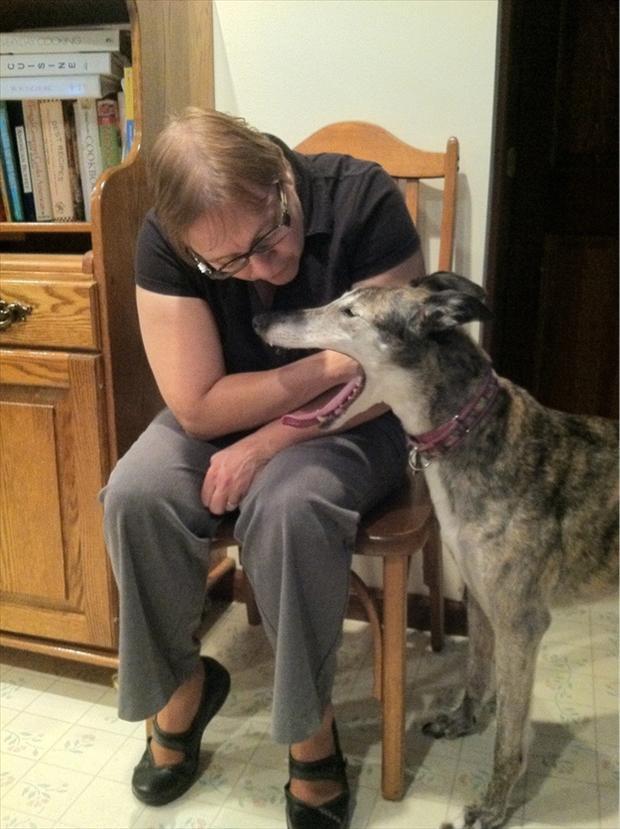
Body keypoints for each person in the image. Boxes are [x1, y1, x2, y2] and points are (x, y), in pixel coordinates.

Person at [101, 108, 425, 829]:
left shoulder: (364, 200)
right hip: (235, 415)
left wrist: (270, 439)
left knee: (288, 505)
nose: (263, 268)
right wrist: (329, 361)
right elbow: (197, 407)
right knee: (136, 490)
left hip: (359, 418)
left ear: (282, 177)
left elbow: (388, 373)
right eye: (227, 264)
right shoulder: (166, 243)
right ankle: (182, 688)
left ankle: (311, 730)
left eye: (270, 235)